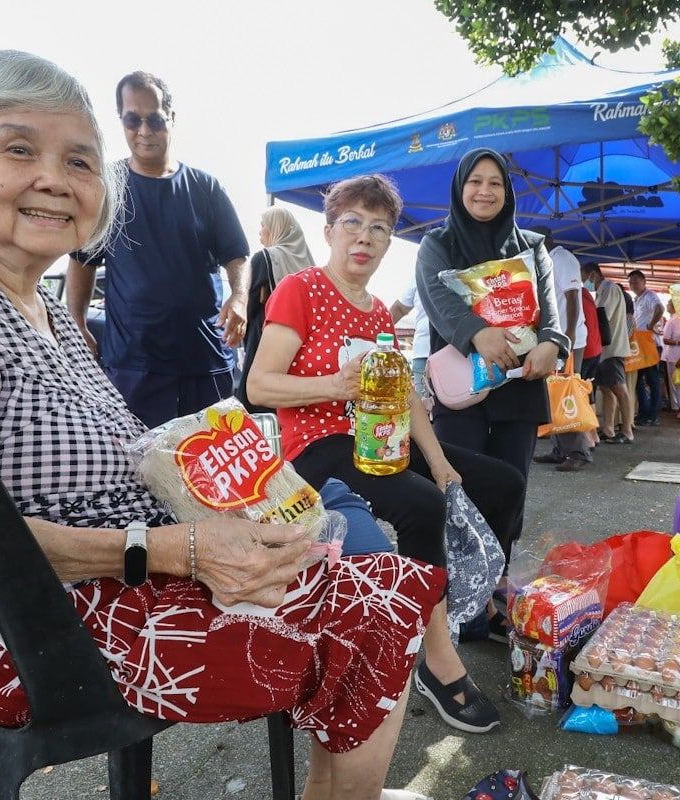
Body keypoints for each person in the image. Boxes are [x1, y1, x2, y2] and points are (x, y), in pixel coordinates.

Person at [0, 51, 442, 800]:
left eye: (81, 161)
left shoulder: (58, 323)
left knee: (379, 579)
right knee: (373, 614)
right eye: (18, 148)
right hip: (11, 626)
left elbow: (141, 469)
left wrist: (239, 513)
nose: (55, 179)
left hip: (122, 579)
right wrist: (173, 548)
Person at [246, 173, 526, 735]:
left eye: (379, 227)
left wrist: (444, 462)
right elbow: (259, 386)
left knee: (498, 482)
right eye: (352, 222)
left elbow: (402, 399)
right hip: (318, 447)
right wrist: (334, 386)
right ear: (329, 231)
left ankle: (466, 599)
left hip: (380, 437)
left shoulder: (377, 311)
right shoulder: (300, 289)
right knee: (422, 506)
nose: (365, 237)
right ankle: (437, 657)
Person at [66, 70, 250, 429]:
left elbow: (237, 255)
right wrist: (77, 319)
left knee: (212, 470)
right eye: (133, 120)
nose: (144, 130)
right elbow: (82, 260)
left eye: (155, 119)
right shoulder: (108, 189)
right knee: (141, 470)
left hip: (205, 359)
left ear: (171, 118)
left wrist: (240, 297)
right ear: (121, 120)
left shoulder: (205, 188)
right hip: (134, 366)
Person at [416, 148, 570, 531]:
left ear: (508, 192)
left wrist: (552, 342)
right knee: (458, 481)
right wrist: (477, 334)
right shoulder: (436, 244)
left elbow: (549, 307)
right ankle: (459, 574)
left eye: (495, 183)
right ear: (460, 187)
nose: (485, 191)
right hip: (461, 386)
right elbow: (440, 303)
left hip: (521, 385)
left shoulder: (531, 247)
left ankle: (498, 576)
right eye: (475, 181)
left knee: (511, 484)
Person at [235, 206, 314, 412]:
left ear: (275, 228)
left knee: (257, 404)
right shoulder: (310, 265)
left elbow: (249, 308)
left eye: (264, 226)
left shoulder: (265, 257)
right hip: (300, 342)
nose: (260, 231)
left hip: (265, 337)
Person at [531, 226, 592, 472]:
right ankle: (561, 449)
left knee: (567, 394)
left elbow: (572, 296)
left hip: (567, 340)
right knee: (554, 394)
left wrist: (569, 334)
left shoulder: (562, 257)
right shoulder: (547, 260)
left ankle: (578, 451)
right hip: (555, 339)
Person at [580, 260, 634, 443]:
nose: (582, 281)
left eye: (583, 276)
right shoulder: (603, 290)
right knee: (605, 388)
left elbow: (602, 316)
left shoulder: (609, 288)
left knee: (620, 389)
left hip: (612, 348)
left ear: (592, 274)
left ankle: (627, 430)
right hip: (602, 350)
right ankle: (608, 428)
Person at [627, 269, 664, 426]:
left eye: (636, 281)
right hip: (639, 345)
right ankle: (644, 412)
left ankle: (653, 415)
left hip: (651, 344)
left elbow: (660, 309)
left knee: (653, 380)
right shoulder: (637, 300)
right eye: (630, 282)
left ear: (644, 282)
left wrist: (650, 325)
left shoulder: (650, 296)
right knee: (638, 381)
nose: (633, 284)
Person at [389, 274, 431, 400]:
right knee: (424, 406)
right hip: (423, 354)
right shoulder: (421, 272)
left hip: (459, 352)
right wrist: (377, 334)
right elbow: (399, 308)